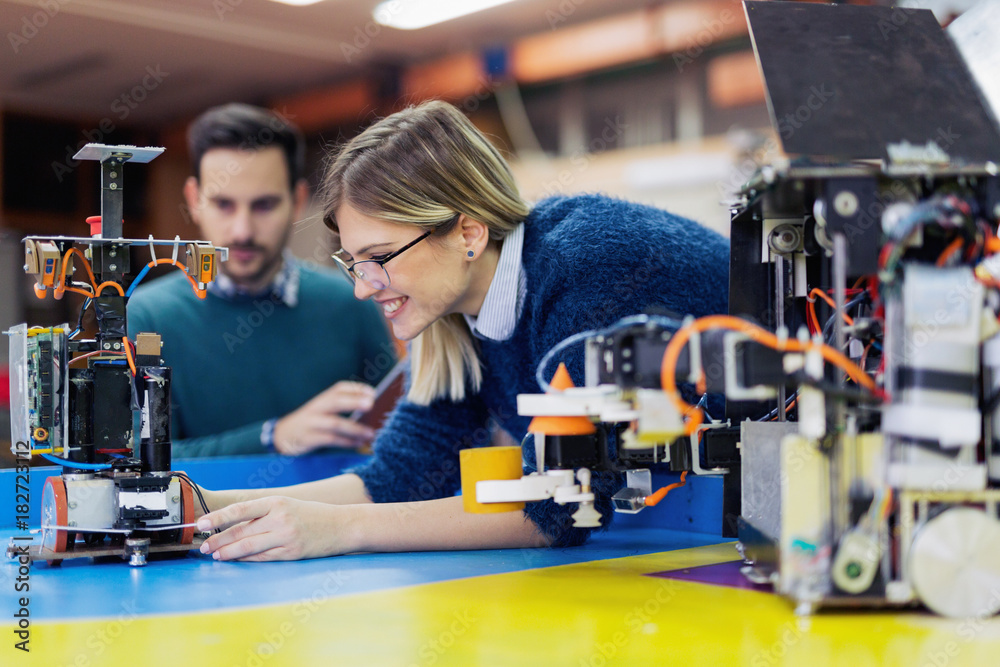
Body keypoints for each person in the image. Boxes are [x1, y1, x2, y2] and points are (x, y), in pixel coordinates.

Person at [194, 100, 729, 560]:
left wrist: (338, 529)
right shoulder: (451, 313)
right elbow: (400, 476)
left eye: (380, 257)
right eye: (354, 263)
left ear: (468, 232)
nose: (363, 287)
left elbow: (556, 508)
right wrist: (206, 506)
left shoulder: (587, 266)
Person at [127, 103, 395, 458]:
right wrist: (273, 437)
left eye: (264, 205)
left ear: (298, 201)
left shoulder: (351, 301)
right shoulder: (147, 318)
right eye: (224, 204)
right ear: (194, 200)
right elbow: (142, 461)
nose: (242, 231)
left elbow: (398, 431)